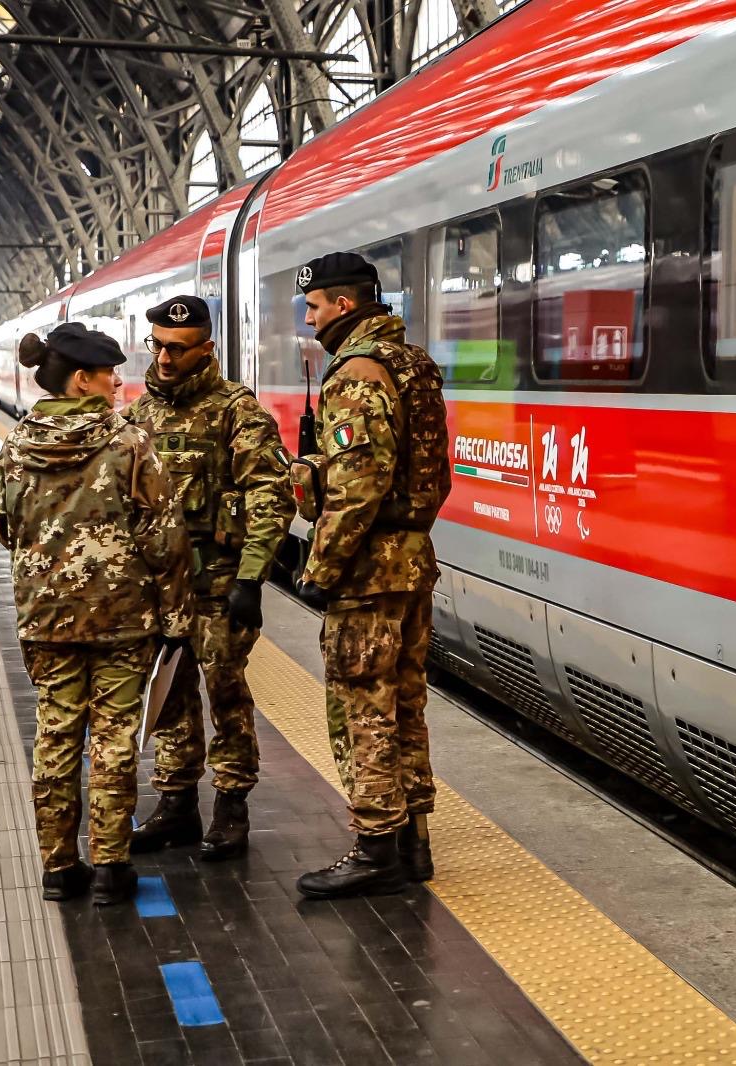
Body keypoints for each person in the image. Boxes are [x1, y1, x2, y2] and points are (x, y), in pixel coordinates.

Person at [0, 323, 193, 905]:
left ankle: (57, 867)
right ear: (82, 379)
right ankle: (110, 868)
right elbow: (164, 536)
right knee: (114, 738)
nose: (117, 381)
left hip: (45, 619)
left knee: (55, 732)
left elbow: (4, 524)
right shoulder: (127, 443)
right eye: (108, 373)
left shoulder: (16, 443)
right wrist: (177, 617)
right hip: (122, 621)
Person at [291, 252, 451, 899]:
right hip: (412, 560)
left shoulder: (357, 373)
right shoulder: (412, 363)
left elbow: (357, 485)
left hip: (368, 571)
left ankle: (375, 845)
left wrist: (319, 568)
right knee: (406, 702)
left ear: (344, 305)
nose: (308, 319)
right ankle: (413, 842)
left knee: (363, 707)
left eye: (314, 307)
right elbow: (430, 472)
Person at [125, 295, 295, 861]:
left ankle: (231, 805)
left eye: (176, 349)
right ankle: (175, 803)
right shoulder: (138, 415)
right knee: (169, 693)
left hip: (220, 582)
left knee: (225, 692)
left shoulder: (234, 411)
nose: (165, 359)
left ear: (206, 348)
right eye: (157, 346)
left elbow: (271, 494)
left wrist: (252, 577)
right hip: (162, 586)